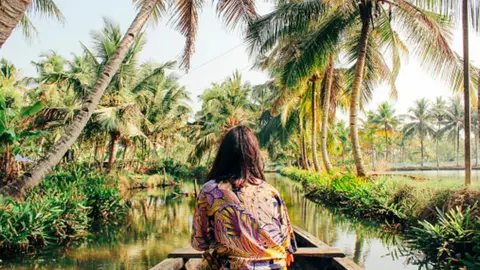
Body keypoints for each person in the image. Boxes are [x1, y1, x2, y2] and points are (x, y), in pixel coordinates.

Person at [191, 125, 297, 270]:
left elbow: (199, 243)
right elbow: (287, 243)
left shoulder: (210, 191)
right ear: (254, 156)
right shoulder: (271, 191)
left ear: (223, 156)